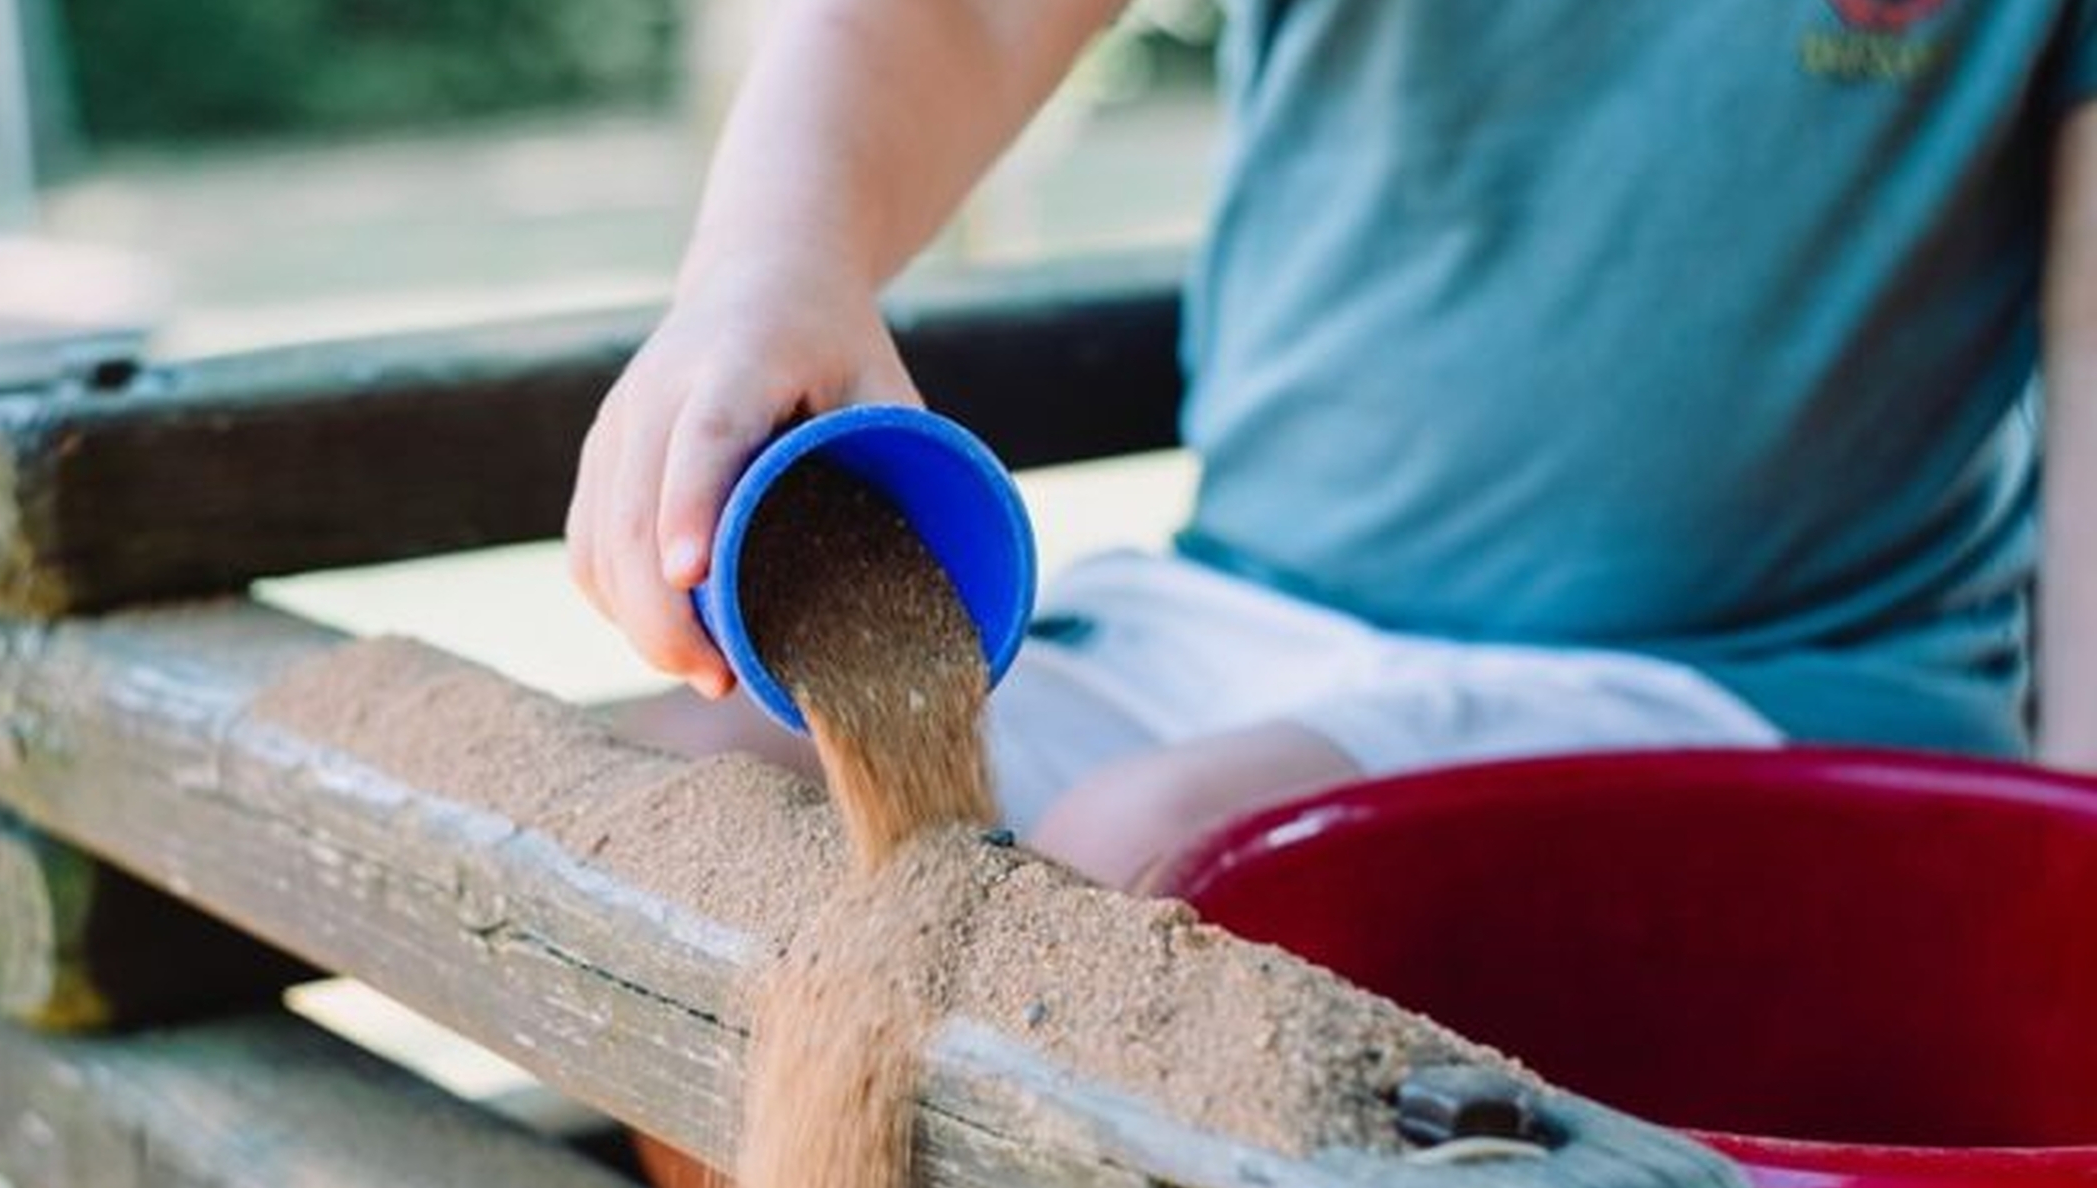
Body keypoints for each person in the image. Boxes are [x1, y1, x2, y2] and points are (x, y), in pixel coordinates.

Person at [566, 0, 2097, 892]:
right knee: (701, 808)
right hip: (1242, 614)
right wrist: (775, 265)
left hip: (1762, 676)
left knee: (1171, 854)